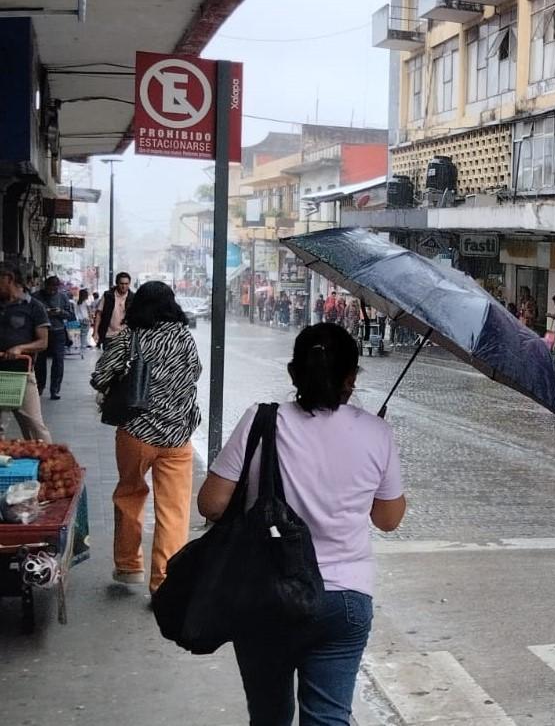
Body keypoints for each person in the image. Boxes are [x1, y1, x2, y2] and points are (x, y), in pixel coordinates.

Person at [197, 323, 406, 725]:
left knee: (269, 717)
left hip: (264, 594)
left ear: (293, 373)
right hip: (344, 600)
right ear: (352, 378)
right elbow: (388, 518)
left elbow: (212, 504)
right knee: (328, 718)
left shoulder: (260, 422)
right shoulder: (377, 433)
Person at [90, 281, 201, 593]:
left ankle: (129, 566)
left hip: (137, 432)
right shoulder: (185, 337)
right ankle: (164, 583)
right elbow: (195, 373)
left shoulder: (130, 337)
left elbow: (100, 377)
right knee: (175, 509)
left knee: (130, 494)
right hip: (178, 436)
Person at [0, 268, 52, 442]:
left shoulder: (34, 306)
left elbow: (43, 342)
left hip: (21, 373)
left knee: (34, 425)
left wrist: (20, 348)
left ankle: (51, 464)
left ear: (9, 278)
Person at [33, 276, 73, 400]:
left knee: (58, 361)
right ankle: (40, 387)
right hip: (41, 332)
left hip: (58, 332)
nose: (52, 290)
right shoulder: (36, 297)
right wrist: (44, 312)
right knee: (40, 362)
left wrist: (60, 312)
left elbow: (71, 315)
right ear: (45, 285)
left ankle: (55, 389)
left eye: (55, 287)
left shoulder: (62, 297)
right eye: (50, 287)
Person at [95, 272, 133, 349]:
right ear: (117, 283)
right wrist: (95, 332)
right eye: (121, 283)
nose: (124, 286)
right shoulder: (108, 296)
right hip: (109, 335)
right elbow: (99, 314)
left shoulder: (132, 298)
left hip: (125, 336)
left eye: (126, 284)